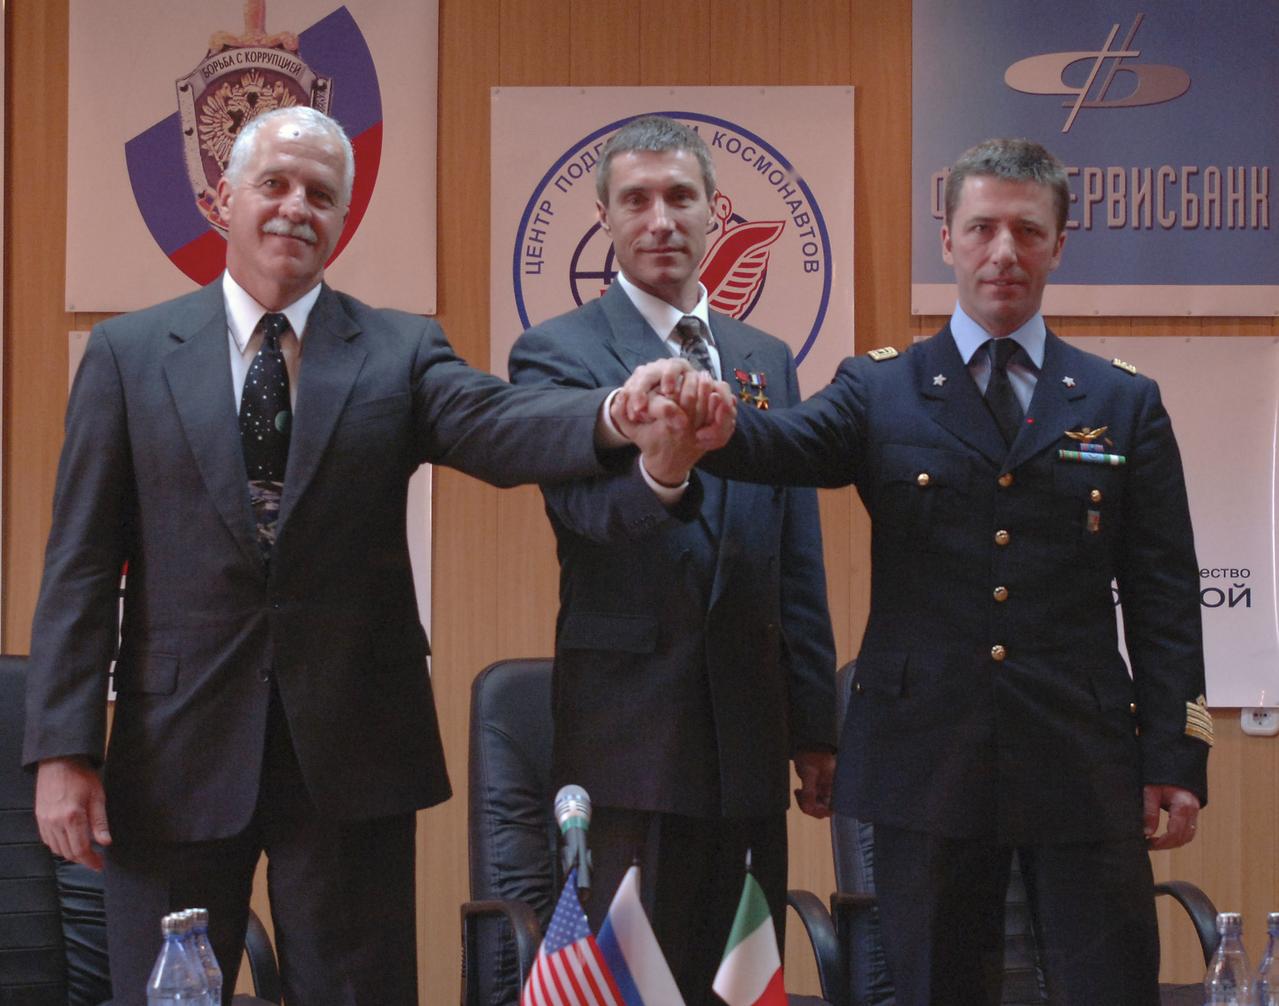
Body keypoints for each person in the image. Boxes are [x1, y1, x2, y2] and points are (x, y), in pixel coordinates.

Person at [23, 106, 679, 1006]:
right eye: (275, 185)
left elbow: (496, 424)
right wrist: (63, 748)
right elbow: (81, 564)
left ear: (342, 220)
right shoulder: (129, 355)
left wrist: (612, 415)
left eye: (321, 195)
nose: (297, 207)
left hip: (353, 750)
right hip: (171, 752)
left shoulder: (399, 350)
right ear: (225, 200)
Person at [629, 137, 1212, 1005]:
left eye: (1026, 230)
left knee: (1108, 985)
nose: (1002, 252)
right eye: (980, 228)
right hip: (924, 758)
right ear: (946, 240)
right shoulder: (882, 388)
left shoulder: (1121, 401)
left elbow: (1164, 594)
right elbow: (787, 443)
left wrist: (1174, 753)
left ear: (1059, 243)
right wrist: (712, 422)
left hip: (1081, 761)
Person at [508, 115, 837, 1003]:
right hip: (625, 747)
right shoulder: (558, 353)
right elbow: (583, 512)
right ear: (606, 221)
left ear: (712, 213)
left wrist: (814, 727)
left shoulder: (763, 357)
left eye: (680, 197)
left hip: (745, 740)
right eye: (636, 200)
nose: (660, 218)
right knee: (628, 987)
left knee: (739, 979)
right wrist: (660, 469)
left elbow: (791, 554)